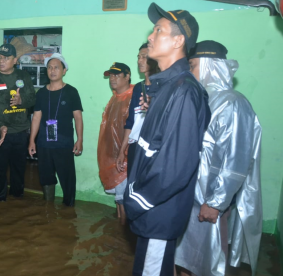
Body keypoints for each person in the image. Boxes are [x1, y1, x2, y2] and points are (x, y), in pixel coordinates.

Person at [122, 3, 210, 275]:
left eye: (158, 30)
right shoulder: (168, 87)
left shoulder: (183, 91)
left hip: (157, 210)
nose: (150, 36)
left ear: (178, 40)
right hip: (153, 210)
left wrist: (136, 199)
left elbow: (175, 166)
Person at [175, 40, 263, 276]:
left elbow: (237, 161)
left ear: (210, 66)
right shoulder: (202, 98)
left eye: (192, 66)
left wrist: (216, 203)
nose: (189, 72)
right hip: (190, 194)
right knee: (184, 256)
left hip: (210, 199)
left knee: (208, 260)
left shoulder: (232, 104)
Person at [0, 44, 36, 202]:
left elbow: (32, 99)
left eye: (6, 58)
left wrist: (21, 100)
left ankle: (18, 199)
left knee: (19, 168)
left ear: (15, 60)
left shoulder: (23, 76)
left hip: (20, 132)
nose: (1, 61)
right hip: (0, 134)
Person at [28, 53, 83, 206]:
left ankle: (69, 210)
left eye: (56, 68)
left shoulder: (71, 92)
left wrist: (80, 139)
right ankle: (48, 209)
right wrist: (32, 140)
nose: (52, 71)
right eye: (50, 68)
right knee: (46, 177)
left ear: (64, 71)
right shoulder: (41, 93)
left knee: (67, 179)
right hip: (44, 144)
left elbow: (78, 117)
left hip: (64, 144)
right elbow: (36, 118)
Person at [113, 43, 159, 225]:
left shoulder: (162, 86)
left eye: (145, 57)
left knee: (150, 188)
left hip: (154, 148)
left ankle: (151, 224)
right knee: (134, 187)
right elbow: (131, 121)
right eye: (139, 56)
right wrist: (122, 150)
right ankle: (135, 229)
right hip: (135, 147)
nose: (140, 60)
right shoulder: (138, 88)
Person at [97, 62, 133, 220]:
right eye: (111, 75)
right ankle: (118, 232)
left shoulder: (132, 98)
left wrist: (123, 154)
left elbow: (131, 129)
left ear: (127, 76)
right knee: (119, 200)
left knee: (124, 200)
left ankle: (121, 237)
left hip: (126, 158)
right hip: (113, 156)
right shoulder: (115, 98)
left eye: (117, 75)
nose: (112, 78)